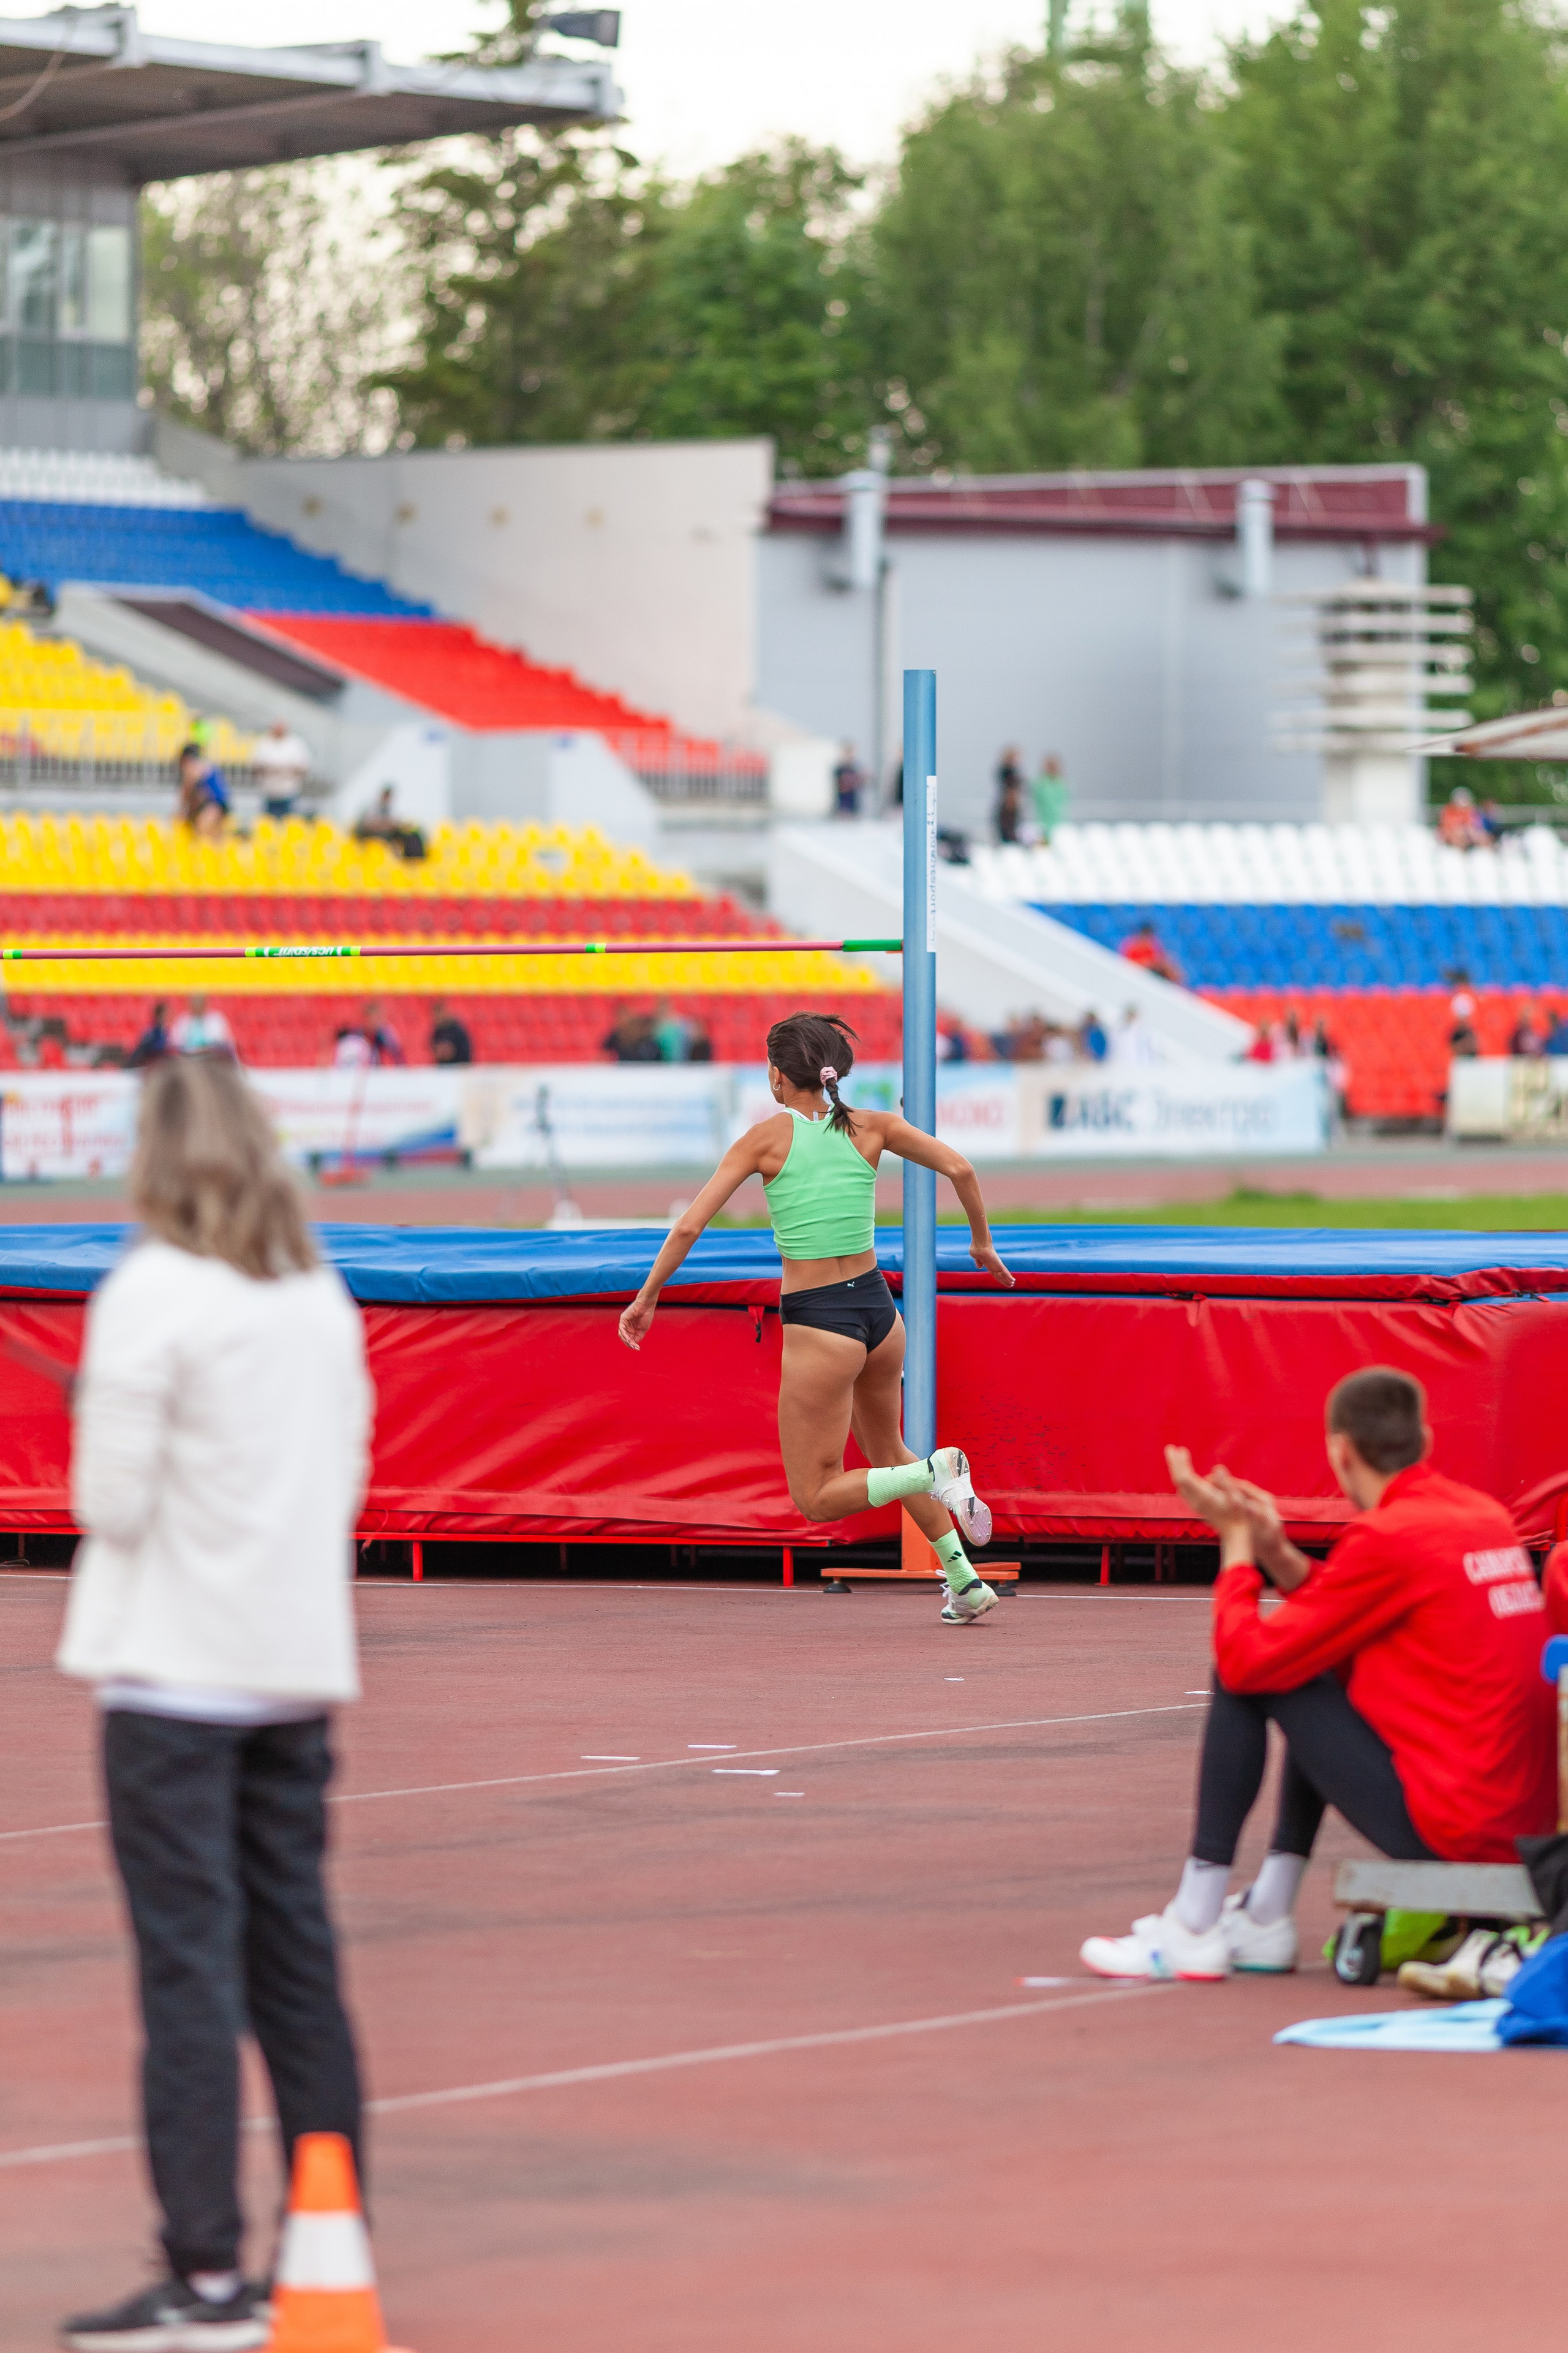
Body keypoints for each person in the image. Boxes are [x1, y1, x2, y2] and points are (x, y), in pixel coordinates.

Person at [55, 1055, 373, 2351]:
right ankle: (328, 2236)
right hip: (291, 1671)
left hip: (172, 1679)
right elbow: (347, 1473)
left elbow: (109, 1506)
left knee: (189, 1971)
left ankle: (203, 2279)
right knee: (297, 1962)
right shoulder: (316, 1296)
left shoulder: (150, 1292)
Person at [1080, 1368, 1556, 1982]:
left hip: (1461, 1828)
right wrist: (1275, 1552)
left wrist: (1235, 1550)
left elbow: (1246, 1658)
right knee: (1306, 1655)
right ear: (1424, 1439)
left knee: (1245, 1668)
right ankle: (1265, 1916)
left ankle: (1194, 1924)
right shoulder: (1480, 1515)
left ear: (1339, 1449)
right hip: (1521, 1817)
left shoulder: (1390, 1534)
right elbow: (1343, 1606)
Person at [618, 1012, 1014, 1623]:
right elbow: (960, 1168)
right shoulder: (872, 1126)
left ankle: (937, 1470)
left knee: (817, 1496)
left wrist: (647, 1296)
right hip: (880, 1315)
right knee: (888, 1452)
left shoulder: (764, 1139)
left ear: (778, 1076)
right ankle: (963, 1581)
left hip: (821, 1323)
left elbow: (691, 1223)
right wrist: (981, 1244)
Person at [252, 719, 312, 820]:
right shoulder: (263, 743)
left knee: (289, 823)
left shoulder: (295, 744)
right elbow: (255, 767)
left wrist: (287, 771)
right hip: (269, 792)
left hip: (289, 791)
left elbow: (304, 768)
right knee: (268, 824)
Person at [175, 742, 230, 841]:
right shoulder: (207, 766)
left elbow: (187, 792)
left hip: (212, 805)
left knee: (203, 836)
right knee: (215, 838)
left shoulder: (192, 768)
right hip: (221, 804)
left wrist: (182, 812)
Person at [170, 994, 235, 1059]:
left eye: (199, 1000)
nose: (197, 1003)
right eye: (194, 1000)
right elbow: (175, 1044)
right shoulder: (183, 1020)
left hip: (212, 1059)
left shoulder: (217, 1019)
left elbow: (224, 1044)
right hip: (187, 1059)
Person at [1117, 920, 1182, 984]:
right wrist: (1148, 963)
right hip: (1133, 974)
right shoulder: (1131, 945)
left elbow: (1159, 960)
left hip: (1150, 974)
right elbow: (1126, 963)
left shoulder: (1153, 946)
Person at [1029, 753, 1069, 845]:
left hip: (1059, 822)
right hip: (1043, 823)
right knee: (1044, 848)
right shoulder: (1040, 784)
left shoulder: (1062, 784)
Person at [126, 1000, 172, 1070]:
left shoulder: (166, 1031)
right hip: (148, 1063)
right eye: (166, 1014)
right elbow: (144, 1048)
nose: (168, 1016)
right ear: (159, 1015)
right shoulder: (152, 1031)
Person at [429, 999, 473, 1065]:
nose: (437, 1017)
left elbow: (466, 1051)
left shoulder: (457, 1030)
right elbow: (433, 1047)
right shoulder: (437, 1032)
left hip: (458, 1067)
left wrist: (452, 1052)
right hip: (444, 1068)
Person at [831, 742, 865, 820]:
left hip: (854, 806)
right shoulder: (839, 769)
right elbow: (840, 786)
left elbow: (861, 785)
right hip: (843, 806)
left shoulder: (856, 769)